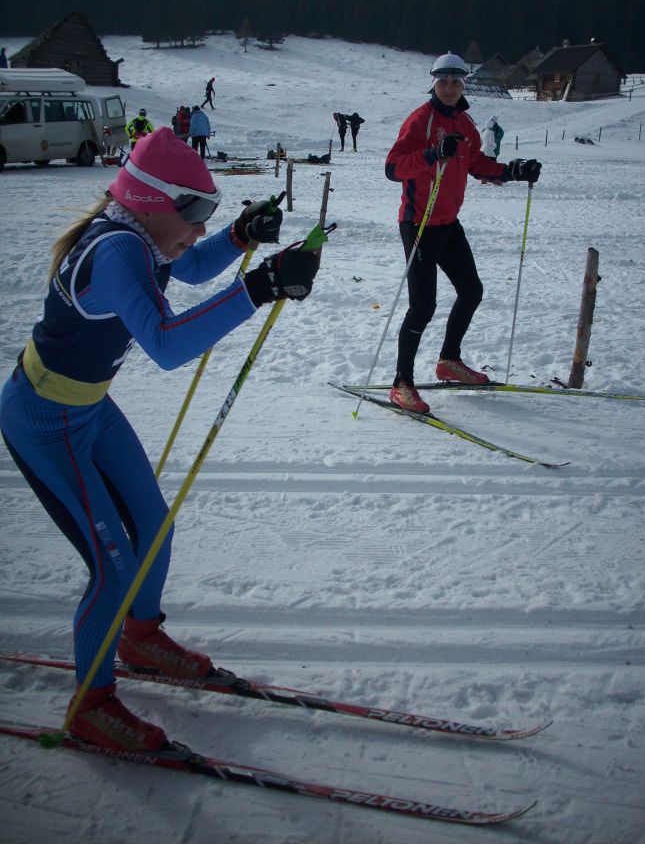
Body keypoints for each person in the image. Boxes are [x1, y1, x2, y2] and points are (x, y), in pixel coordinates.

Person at [0, 127, 320, 752]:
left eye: (210, 214)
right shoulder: (119, 250)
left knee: (154, 524)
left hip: (87, 409)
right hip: (44, 420)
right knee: (112, 567)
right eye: (195, 212)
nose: (200, 227)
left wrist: (238, 238)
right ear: (151, 201)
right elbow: (168, 344)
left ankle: (140, 637)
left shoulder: (142, 235)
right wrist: (260, 286)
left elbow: (192, 263)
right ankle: (92, 705)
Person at [384, 51, 541, 413]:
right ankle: (401, 384)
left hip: (448, 223)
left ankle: (448, 361)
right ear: (434, 82)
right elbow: (393, 168)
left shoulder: (466, 124)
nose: (450, 88)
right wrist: (430, 153)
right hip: (419, 223)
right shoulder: (420, 120)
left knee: (471, 291)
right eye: (444, 82)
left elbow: (477, 164)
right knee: (422, 307)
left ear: (463, 84)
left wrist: (514, 171)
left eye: (457, 82)